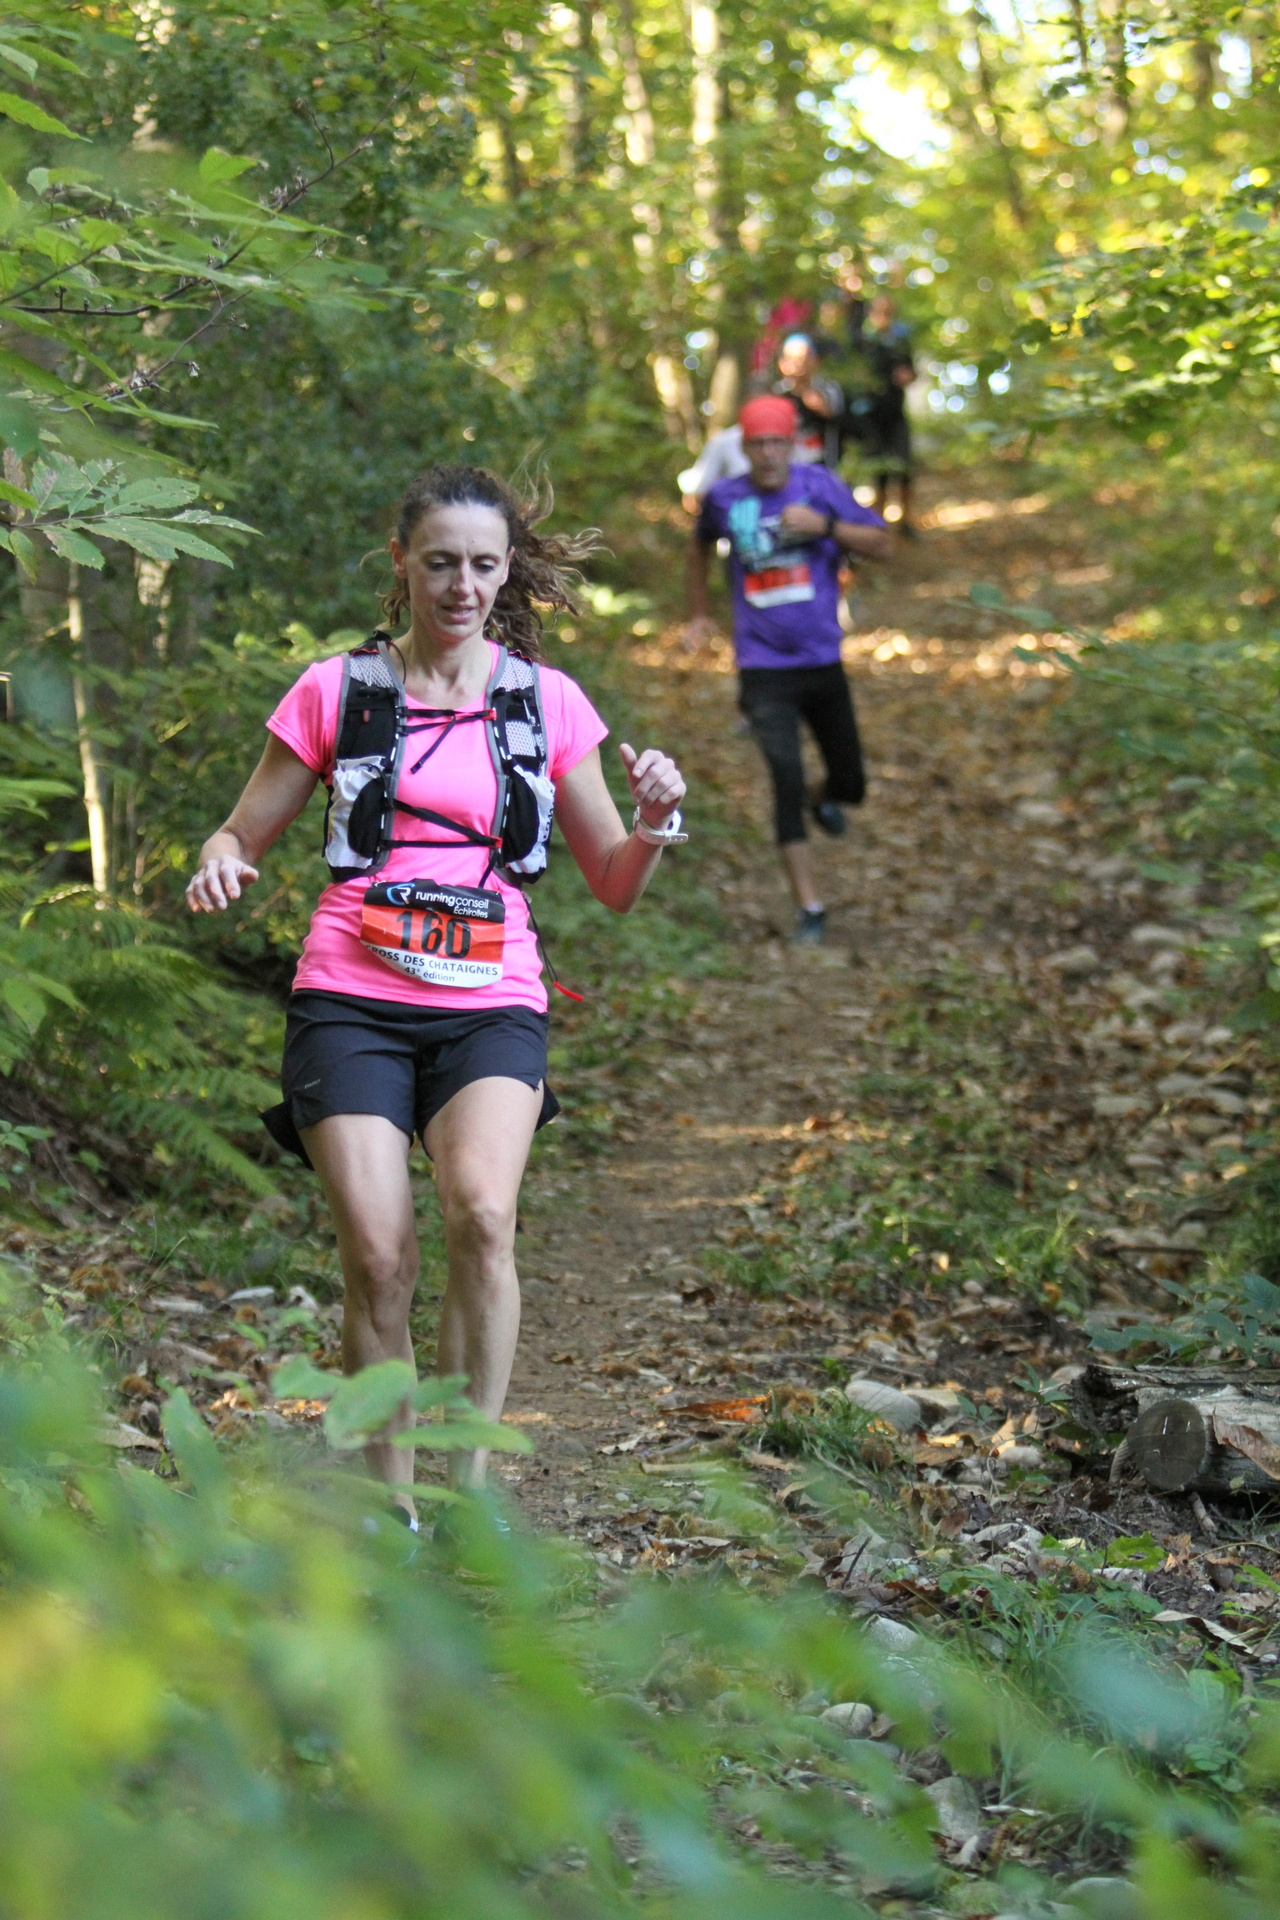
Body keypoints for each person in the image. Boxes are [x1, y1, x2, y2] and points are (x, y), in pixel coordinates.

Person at [186, 465, 687, 1529]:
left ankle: (469, 1495)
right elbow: (240, 830)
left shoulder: (547, 702)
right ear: (402, 563)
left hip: (490, 998)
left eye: (483, 566)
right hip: (350, 997)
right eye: (442, 563)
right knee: (379, 1258)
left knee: (484, 1219)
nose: (462, 586)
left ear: (507, 574)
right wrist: (221, 861)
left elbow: (612, 883)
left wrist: (651, 823)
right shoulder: (336, 690)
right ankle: (394, 1511)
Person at [685, 397, 891, 944]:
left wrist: (825, 526)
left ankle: (820, 799)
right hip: (762, 667)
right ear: (744, 448)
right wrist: (700, 613)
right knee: (785, 777)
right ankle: (810, 908)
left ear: (793, 444)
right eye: (758, 444)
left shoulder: (819, 487)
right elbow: (697, 546)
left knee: (851, 784)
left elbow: (883, 544)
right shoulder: (725, 498)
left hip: (822, 660)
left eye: (778, 442)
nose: (769, 453)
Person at [850, 290, 917, 531]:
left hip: (896, 413)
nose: (883, 317)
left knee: (904, 467)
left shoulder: (900, 341)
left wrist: (906, 376)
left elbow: (911, 372)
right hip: (871, 416)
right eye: (879, 311)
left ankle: (906, 522)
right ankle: (879, 522)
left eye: (887, 312)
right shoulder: (864, 342)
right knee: (879, 471)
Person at [774, 333, 845, 467]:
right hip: (787, 465)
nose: (798, 364)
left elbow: (842, 423)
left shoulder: (828, 390)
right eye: (792, 359)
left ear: (815, 360)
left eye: (803, 358)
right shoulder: (777, 394)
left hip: (822, 463)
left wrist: (824, 410)